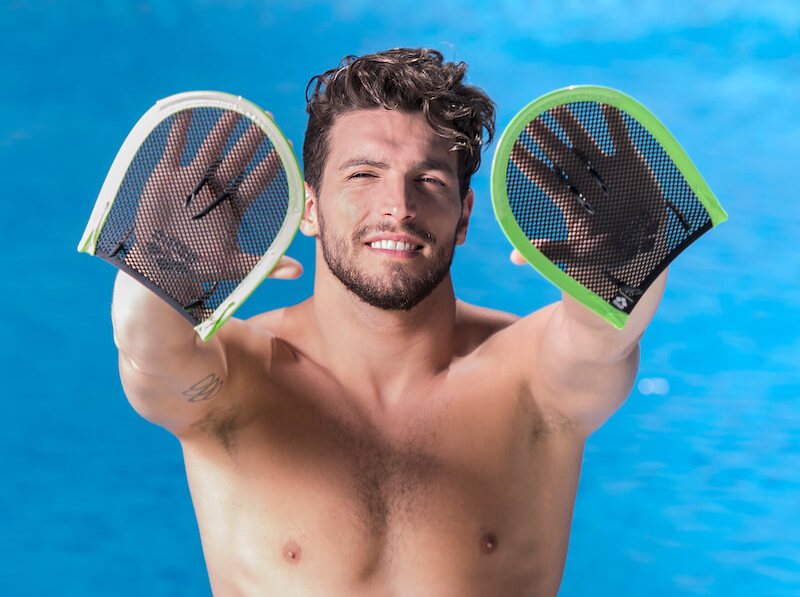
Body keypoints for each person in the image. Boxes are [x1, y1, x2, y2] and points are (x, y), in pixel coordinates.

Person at [111, 47, 667, 596]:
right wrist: (157, 271)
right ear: (308, 207)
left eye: (429, 180)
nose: (398, 206)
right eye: (362, 174)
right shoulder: (234, 379)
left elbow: (605, 337)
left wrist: (633, 261)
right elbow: (150, 352)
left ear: (465, 214)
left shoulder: (533, 379)